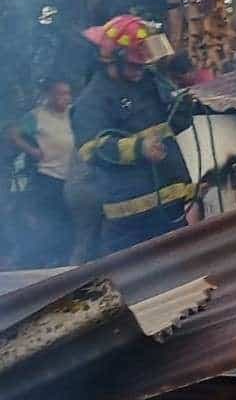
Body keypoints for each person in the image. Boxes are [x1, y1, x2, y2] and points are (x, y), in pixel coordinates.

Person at [71, 16, 196, 255]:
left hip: (171, 203)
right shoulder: (92, 100)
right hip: (129, 219)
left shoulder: (150, 81)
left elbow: (173, 125)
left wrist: (182, 108)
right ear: (111, 60)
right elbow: (91, 151)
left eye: (142, 64)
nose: (140, 70)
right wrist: (138, 148)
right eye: (134, 65)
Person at [10, 80, 75, 266]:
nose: (65, 98)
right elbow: (14, 134)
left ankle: (67, 260)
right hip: (49, 177)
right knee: (54, 221)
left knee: (71, 219)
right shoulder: (37, 116)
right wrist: (32, 151)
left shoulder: (73, 112)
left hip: (73, 176)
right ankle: (49, 260)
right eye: (60, 94)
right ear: (50, 95)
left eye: (67, 94)